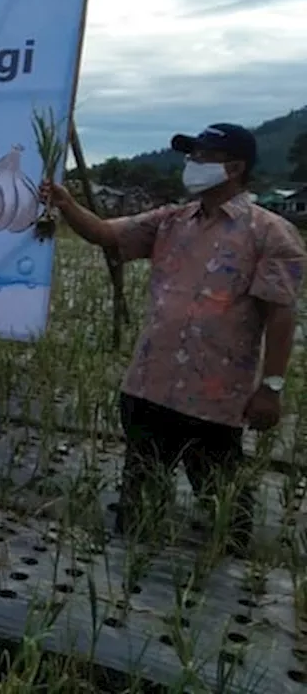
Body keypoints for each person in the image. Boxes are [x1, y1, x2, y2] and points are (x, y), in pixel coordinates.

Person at [40, 122, 305, 554]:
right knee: (139, 501)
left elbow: (280, 316)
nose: (191, 164)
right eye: (191, 155)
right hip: (151, 384)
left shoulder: (270, 233)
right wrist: (66, 202)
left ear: (234, 167)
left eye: (202, 157)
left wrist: (271, 388)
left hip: (213, 399)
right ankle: (132, 572)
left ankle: (226, 573)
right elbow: (107, 234)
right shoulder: (172, 220)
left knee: (224, 505)